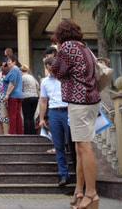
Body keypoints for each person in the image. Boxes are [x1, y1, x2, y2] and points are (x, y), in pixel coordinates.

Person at [51, 19, 101, 209]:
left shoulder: (67, 47)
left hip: (79, 100)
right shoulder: (84, 47)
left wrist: (57, 50)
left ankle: (91, 194)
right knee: (80, 148)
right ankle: (80, 192)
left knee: (84, 148)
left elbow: (57, 71)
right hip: (91, 99)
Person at [38, 57, 71, 187]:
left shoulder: (66, 78)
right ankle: (63, 174)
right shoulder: (45, 82)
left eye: (51, 65)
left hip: (68, 111)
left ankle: (80, 175)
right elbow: (43, 101)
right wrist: (41, 118)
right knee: (58, 145)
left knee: (74, 144)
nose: (49, 68)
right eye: (47, 66)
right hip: (53, 113)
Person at [3, 55, 24, 135]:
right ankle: (19, 132)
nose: (8, 63)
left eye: (9, 61)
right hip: (18, 95)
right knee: (17, 115)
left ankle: (12, 133)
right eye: (7, 61)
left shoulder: (14, 70)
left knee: (12, 115)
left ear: (14, 62)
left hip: (13, 96)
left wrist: (7, 95)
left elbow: (12, 83)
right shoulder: (17, 70)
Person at [21, 65, 39, 135]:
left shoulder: (22, 77)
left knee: (26, 116)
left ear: (21, 71)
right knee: (32, 116)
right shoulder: (32, 77)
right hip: (35, 97)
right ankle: (33, 132)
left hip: (26, 97)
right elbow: (37, 85)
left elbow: (20, 87)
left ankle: (27, 133)